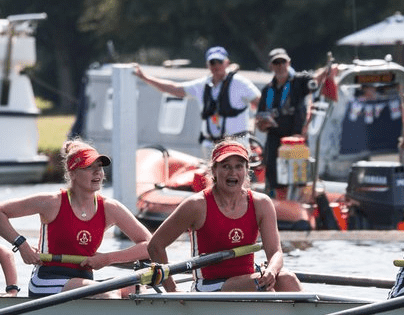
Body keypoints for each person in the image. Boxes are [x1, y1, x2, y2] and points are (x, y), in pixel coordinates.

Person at [0, 140, 152, 298]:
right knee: (108, 296)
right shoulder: (52, 202)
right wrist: (22, 245)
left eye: (99, 167)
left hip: (83, 279)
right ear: (73, 174)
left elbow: (150, 245)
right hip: (47, 280)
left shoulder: (110, 207)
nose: (97, 173)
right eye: (89, 167)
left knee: (138, 290)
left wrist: (108, 258)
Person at [147, 139, 301, 292]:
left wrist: (272, 271)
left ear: (246, 171)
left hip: (247, 278)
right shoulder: (196, 205)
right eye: (226, 166)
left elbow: (275, 252)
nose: (232, 173)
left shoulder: (261, 203)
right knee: (260, 285)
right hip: (209, 285)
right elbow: (155, 246)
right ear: (214, 170)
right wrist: (172, 292)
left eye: (238, 166)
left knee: (287, 279)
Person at [134, 46, 260, 156]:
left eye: (219, 62)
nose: (216, 66)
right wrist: (145, 78)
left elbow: (260, 102)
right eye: (212, 62)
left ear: (226, 63)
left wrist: (257, 119)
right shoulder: (202, 85)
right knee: (212, 181)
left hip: (236, 143)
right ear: (207, 65)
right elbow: (174, 88)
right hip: (211, 145)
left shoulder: (240, 83)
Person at [255, 48, 317, 194]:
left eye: (283, 62)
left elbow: (315, 82)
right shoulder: (267, 90)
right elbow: (260, 123)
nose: (280, 66)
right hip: (274, 141)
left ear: (288, 62)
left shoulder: (299, 82)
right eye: (276, 63)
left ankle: (298, 210)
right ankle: (280, 210)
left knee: (299, 180)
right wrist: (263, 124)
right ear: (271, 66)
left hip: (296, 141)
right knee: (275, 180)